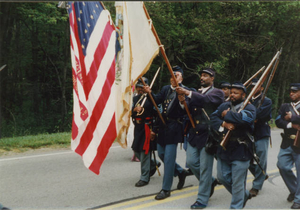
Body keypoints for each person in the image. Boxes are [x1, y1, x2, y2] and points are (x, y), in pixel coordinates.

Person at [176, 67, 224, 209]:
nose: (202, 78)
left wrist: (188, 92)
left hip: (208, 134)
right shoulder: (195, 93)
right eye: (201, 75)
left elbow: (206, 101)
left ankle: (202, 199)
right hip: (194, 132)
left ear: (212, 78)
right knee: (191, 163)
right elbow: (187, 110)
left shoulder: (217, 93)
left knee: (205, 168)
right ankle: (210, 181)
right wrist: (181, 101)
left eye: (205, 76)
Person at [143, 66, 191, 200]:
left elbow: (186, 109)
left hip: (175, 127)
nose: (173, 78)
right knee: (161, 154)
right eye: (171, 76)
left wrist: (182, 97)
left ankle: (166, 189)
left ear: (181, 77)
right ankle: (181, 172)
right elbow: (156, 101)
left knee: (169, 160)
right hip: (162, 127)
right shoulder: (165, 89)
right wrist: (149, 92)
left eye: (176, 75)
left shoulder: (185, 90)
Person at [210, 82, 256, 209]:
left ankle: (235, 206)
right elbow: (213, 118)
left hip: (241, 148)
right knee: (222, 177)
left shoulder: (250, 107)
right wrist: (224, 124)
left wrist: (227, 115)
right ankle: (243, 195)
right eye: (231, 93)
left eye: (236, 93)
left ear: (243, 95)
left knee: (237, 183)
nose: (232, 95)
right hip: (225, 147)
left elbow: (245, 120)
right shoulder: (225, 105)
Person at [131, 77, 160, 187]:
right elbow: (131, 113)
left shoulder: (152, 98)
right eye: (139, 88)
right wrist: (134, 110)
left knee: (144, 152)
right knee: (136, 150)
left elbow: (159, 113)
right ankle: (153, 164)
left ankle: (144, 177)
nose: (140, 90)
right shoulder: (135, 99)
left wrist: (155, 130)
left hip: (148, 128)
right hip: (138, 127)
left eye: (142, 87)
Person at [275, 83, 300, 209]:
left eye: (295, 91)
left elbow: (288, 118)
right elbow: (278, 121)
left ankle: (298, 200)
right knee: (282, 165)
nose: (291, 93)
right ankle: (295, 190)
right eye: (290, 91)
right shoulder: (285, 106)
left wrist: (292, 117)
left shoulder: (292, 111)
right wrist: (291, 125)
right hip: (287, 142)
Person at [248, 78, 272, 197]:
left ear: (261, 88)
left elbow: (259, 115)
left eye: (256, 86)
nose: (254, 89)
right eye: (252, 87)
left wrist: (249, 116)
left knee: (261, 159)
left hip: (261, 132)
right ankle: (262, 174)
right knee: (246, 158)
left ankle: (256, 186)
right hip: (248, 133)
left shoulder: (266, 101)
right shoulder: (246, 100)